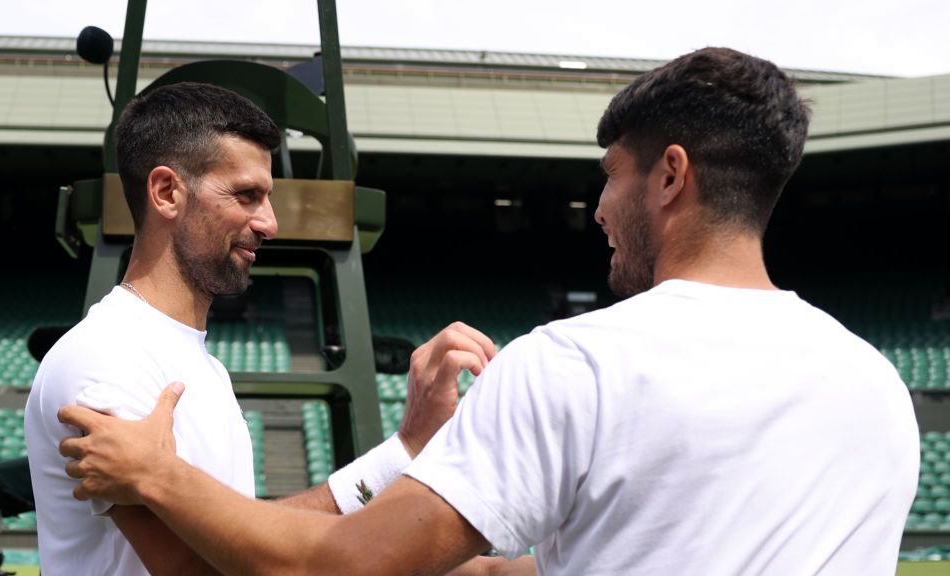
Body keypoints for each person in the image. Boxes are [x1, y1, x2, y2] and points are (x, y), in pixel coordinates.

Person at [57, 48, 919, 575]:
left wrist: (160, 477)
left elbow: (338, 569)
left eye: (611, 173)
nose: (599, 206)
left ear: (670, 176)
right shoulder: (876, 385)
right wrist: (410, 459)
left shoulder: (579, 363)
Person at [25, 82, 497, 575]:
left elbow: (243, 536)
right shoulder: (108, 358)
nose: (269, 222)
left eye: (267, 197)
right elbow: (204, 569)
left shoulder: (196, 364)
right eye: (247, 195)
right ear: (167, 192)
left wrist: (406, 451)